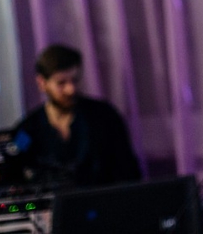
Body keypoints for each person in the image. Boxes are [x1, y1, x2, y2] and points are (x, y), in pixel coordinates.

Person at [13, 44, 141, 187]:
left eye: (75, 80)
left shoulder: (105, 116)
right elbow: (17, 175)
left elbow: (128, 172)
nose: (71, 89)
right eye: (61, 83)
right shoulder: (27, 129)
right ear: (42, 83)